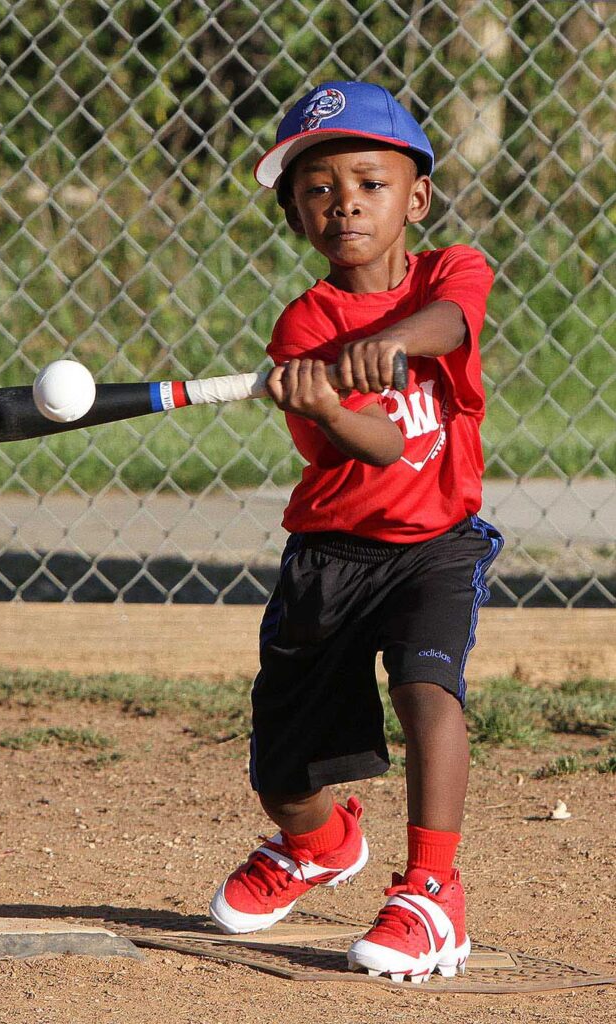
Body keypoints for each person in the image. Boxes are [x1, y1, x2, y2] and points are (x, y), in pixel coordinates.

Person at [208, 81, 502, 984]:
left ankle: (431, 892)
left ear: (413, 197)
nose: (345, 203)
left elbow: (451, 319)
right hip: (330, 557)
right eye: (317, 188)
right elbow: (375, 448)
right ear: (296, 213)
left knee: (428, 688)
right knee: (283, 767)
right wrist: (327, 402)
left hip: (436, 545)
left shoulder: (450, 270)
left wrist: (398, 343)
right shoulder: (302, 328)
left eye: (368, 183)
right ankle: (319, 844)